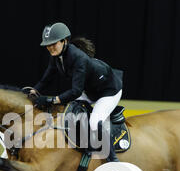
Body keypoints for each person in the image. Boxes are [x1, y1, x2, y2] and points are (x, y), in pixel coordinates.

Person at [27, 22, 123, 162]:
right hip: (90, 90)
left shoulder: (79, 58)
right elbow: (46, 79)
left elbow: (76, 91)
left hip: (108, 91)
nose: (50, 47)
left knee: (95, 122)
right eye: (47, 44)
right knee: (70, 112)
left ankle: (113, 160)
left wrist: (51, 100)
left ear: (64, 41)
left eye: (53, 43)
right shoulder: (56, 56)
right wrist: (34, 90)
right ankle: (87, 147)